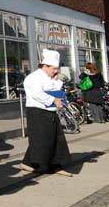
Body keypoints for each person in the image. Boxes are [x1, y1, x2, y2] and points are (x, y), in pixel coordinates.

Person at [19, 49, 73, 177]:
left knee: (53, 138)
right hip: (37, 112)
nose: (56, 71)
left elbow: (56, 90)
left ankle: (50, 164)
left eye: (57, 68)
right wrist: (53, 99)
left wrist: (56, 80)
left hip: (50, 111)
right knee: (41, 140)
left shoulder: (49, 77)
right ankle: (38, 164)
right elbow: (37, 94)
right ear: (45, 66)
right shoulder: (33, 78)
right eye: (54, 68)